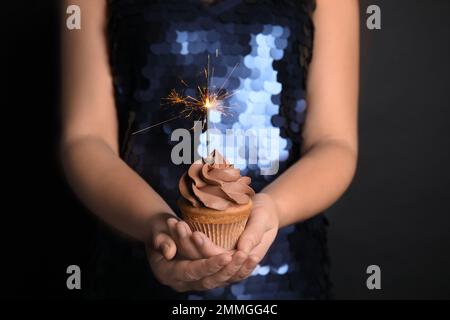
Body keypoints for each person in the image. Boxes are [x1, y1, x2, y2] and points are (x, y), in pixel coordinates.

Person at [61, 0, 359, 299]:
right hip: (134, 260)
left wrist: (273, 208)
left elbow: (334, 143)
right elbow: (85, 138)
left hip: (284, 274)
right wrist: (156, 225)